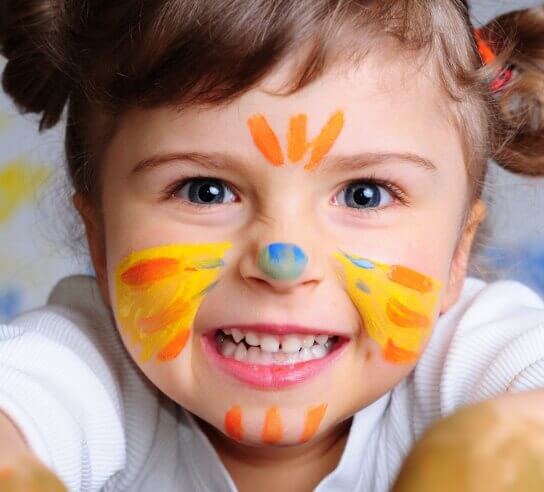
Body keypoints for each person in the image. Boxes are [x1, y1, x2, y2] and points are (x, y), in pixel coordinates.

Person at [0, 1, 543, 491]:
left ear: (456, 256)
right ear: (100, 239)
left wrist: (492, 451)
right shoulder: (93, 364)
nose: (284, 261)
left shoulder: (465, 356)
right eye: (205, 191)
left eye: (364, 194)